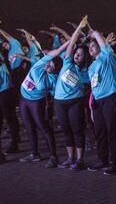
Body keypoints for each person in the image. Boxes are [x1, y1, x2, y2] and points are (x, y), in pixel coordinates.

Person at [17, 40, 68, 168]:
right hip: (24, 98)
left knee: (43, 127)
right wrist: (69, 41)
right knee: (28, 126)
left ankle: (53, 156)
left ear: (56, 70)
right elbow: (56, 52)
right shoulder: (40, 64)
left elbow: (57, 94)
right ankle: (34, 153)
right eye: (49, 62)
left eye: (52, 66)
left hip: (36, 102)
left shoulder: (54, 80)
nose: (49, 66)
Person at [54, 16, 91, 170]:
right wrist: (79, 28)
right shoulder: (67, 62)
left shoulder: (85, 72)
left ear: (84, 58)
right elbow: (71, 44)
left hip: (75, 102)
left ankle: (80, 160)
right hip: (59, 102)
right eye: (77, 53)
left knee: (77, 130)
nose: (77, 55)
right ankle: (70, 158)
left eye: (81, 54)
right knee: (66, 130)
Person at [86, 30, 116, 175]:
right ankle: (103, 160)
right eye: (89, 47)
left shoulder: (107, 56)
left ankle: (115, 163)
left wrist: (95, 33)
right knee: (100, 131)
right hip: (98, 101)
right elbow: (93, 87)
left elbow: (103, 44)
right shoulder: (91, 67)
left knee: (112, 131)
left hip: (110, 97)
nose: (91, 48)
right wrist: (91, 107)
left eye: (94, 45)